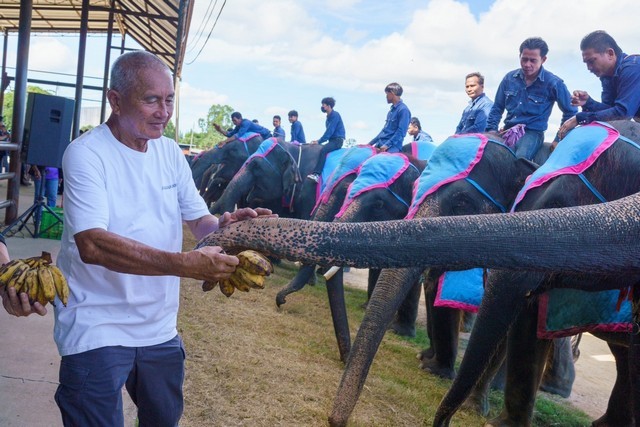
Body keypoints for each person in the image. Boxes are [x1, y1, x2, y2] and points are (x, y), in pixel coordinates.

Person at [3, 51, 273, 426]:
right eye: (151, 100)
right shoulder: (86, 155)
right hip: (95, 325)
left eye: (169, 100)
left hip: (159, 328)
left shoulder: (169, 153)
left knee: (163, 420)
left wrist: (229, 227)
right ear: (115, 100)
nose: (163, 112)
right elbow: (92, 244)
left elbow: (200, 221)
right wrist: (184, 265)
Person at [485, 37, 577, 160]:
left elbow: (571, 111)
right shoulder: (509, 78)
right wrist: (491, 130)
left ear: (543, 59)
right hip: (507, 130)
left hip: (532, 133)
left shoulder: (554, 83)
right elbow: (497, 107)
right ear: (520, 56)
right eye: (524, 59)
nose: (527, 64)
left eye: (533, 60)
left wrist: (558, 139)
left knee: (519, 160)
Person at [558, 30, 640, 140]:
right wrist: (588, 103)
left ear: (610, 54)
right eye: (586, 63)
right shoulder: (607, 76)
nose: (589, 68)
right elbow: (611, 112)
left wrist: (580, 118)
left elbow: (623, 113)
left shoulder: (633, 68)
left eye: (591, 61)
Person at [307, 97, 345, 182]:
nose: (322, 107)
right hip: (332, 140)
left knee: (323, 150)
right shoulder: (328, 116)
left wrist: (319, 141)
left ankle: (316, 174)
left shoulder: (335, 115)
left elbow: (329, 131)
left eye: (323, 105)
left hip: (337, 141)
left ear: (328, 106)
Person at [368, 82, 411, 153]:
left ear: (392, 93)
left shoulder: (403, 110)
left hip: (392, 148)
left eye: (387, 94)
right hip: (380, 144)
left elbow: (401, 132)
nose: (386, 97)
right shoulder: (391, 111)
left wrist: (387, 145)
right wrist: (370, 144)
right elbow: (384, 131)